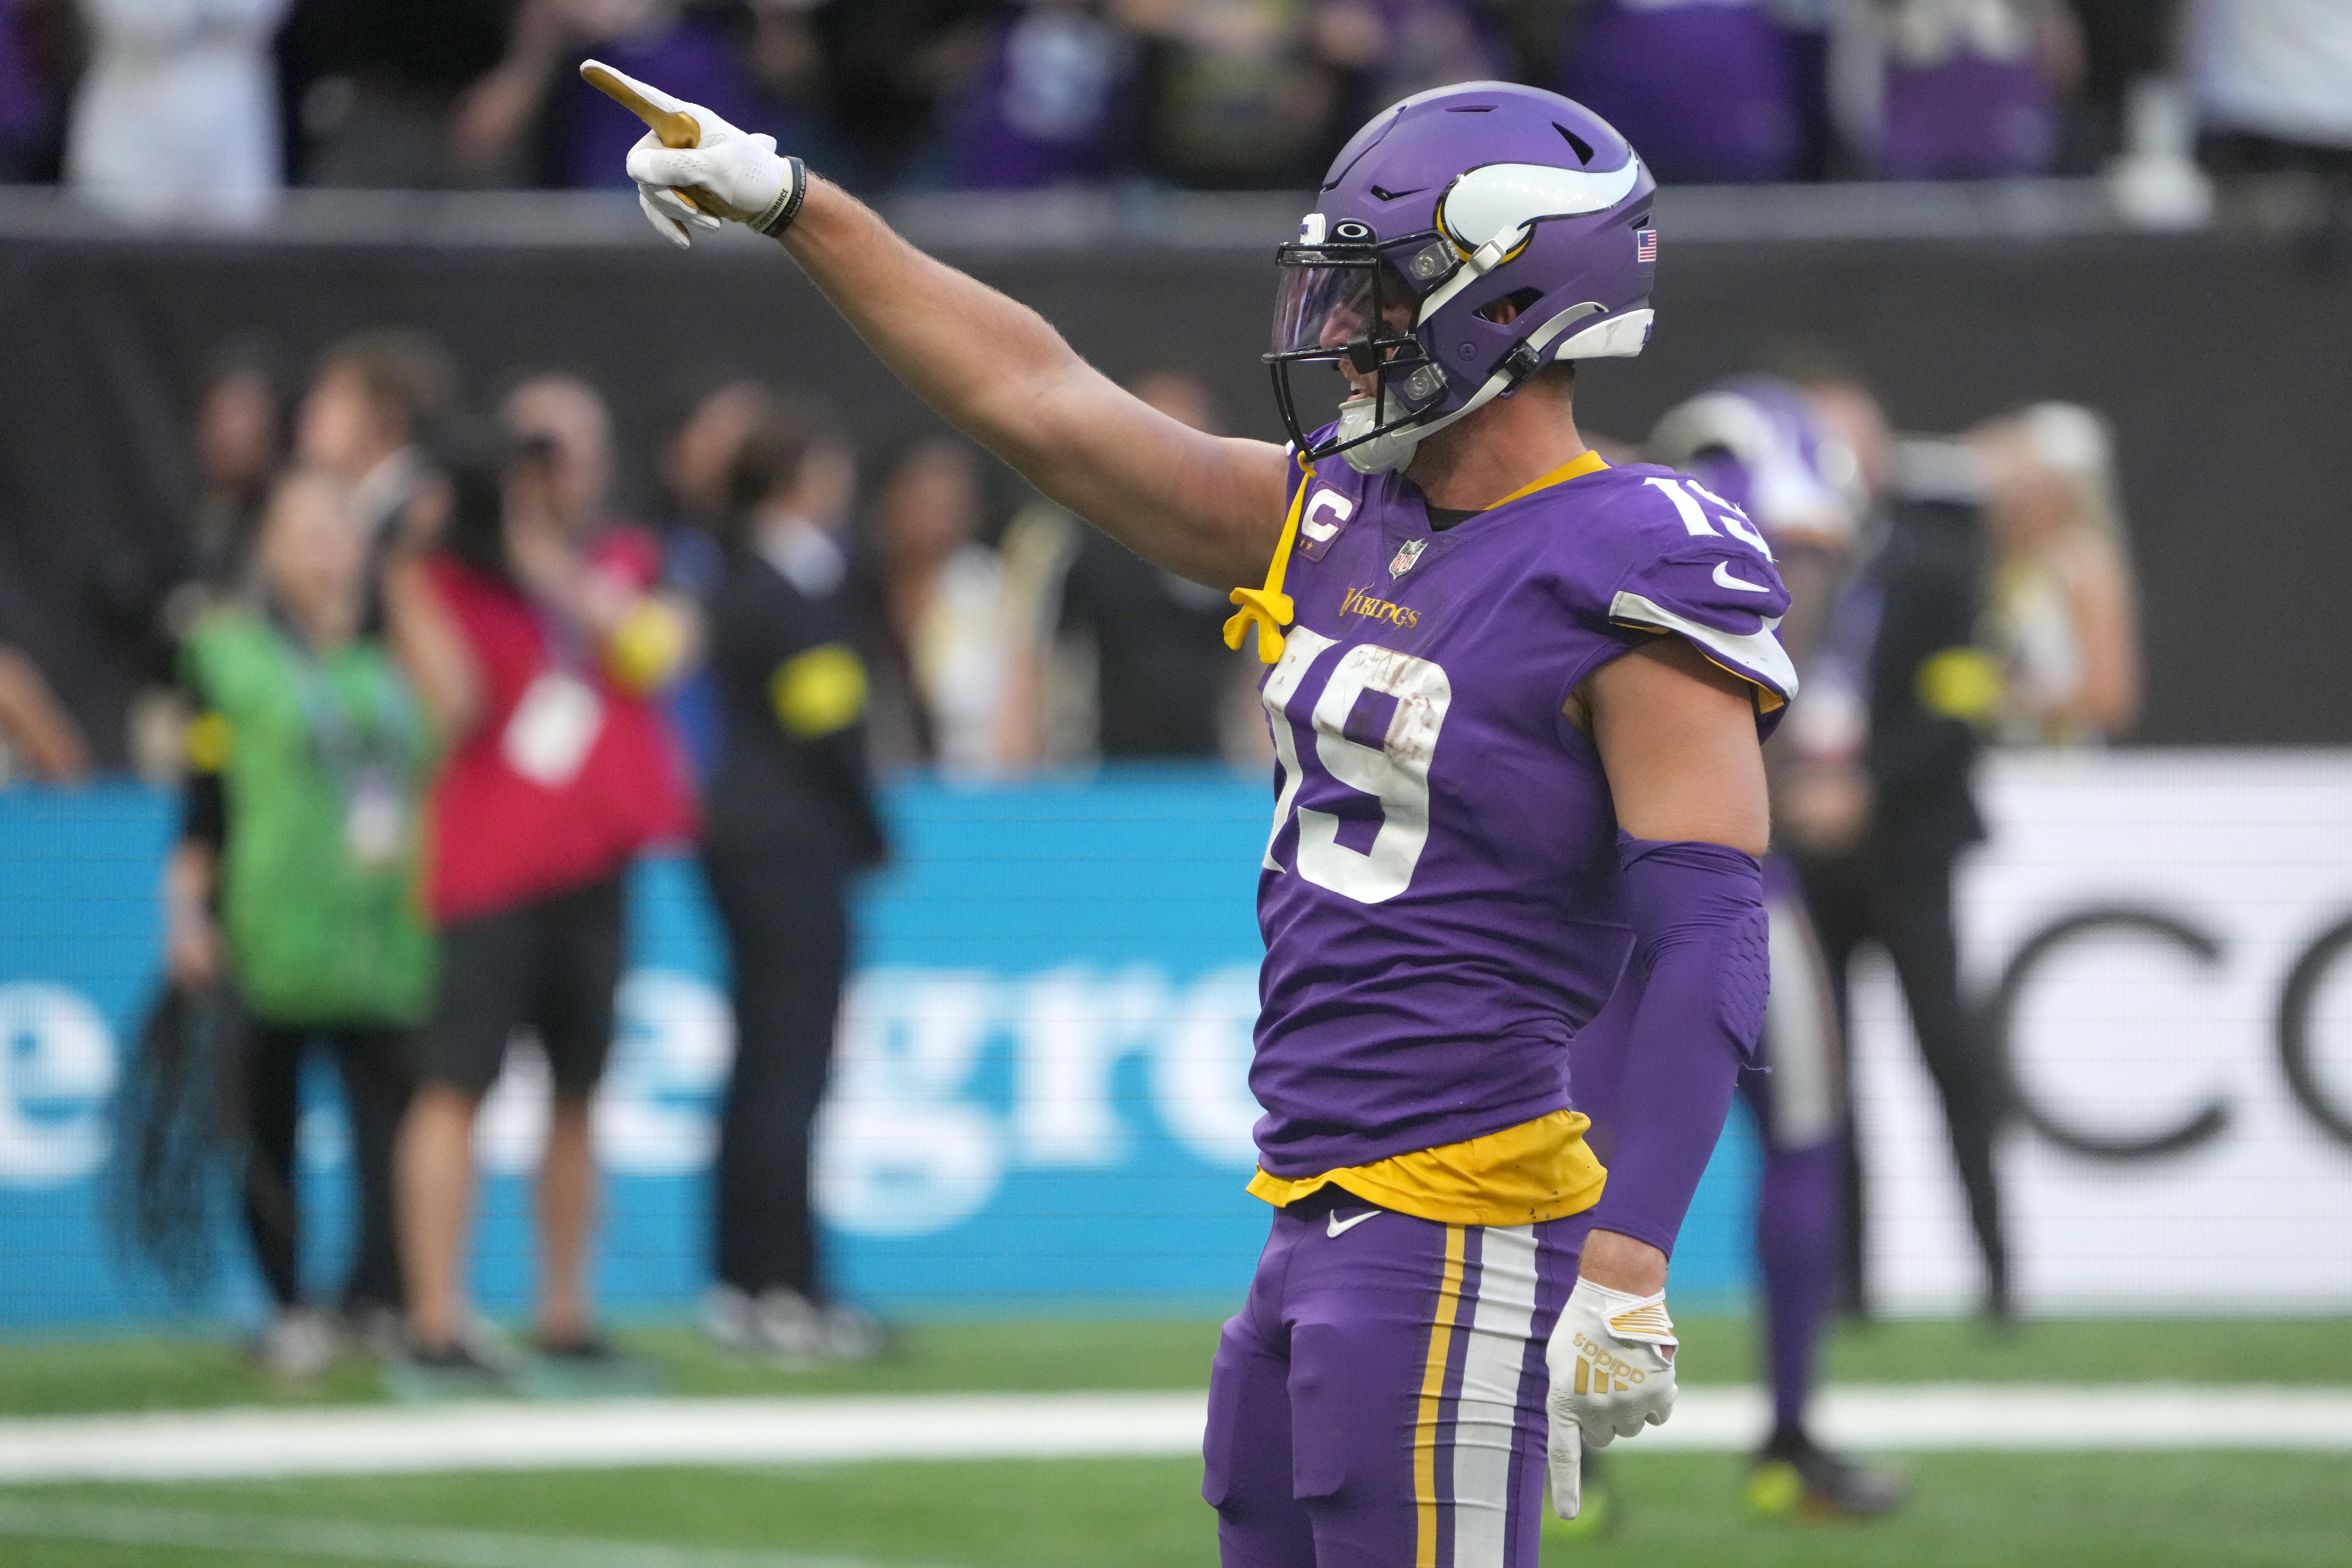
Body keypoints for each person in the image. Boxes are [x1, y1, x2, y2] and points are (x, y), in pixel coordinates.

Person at [606, 66, 1785, 1560]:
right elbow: (1037, 395)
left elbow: (1708, 930)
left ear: (1506, 305)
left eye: (1376, 293)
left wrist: (1628, 1259)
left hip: (1467, 1216)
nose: (1340, 328)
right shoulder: (1345, 513)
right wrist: (797, 204)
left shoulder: (1632, 557)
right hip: (1316, 1206)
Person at [383, 376, 698, 1391]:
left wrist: (540, 561)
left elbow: (651, 654)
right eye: (537, 454)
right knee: (456, 1086)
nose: (555, 472)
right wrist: (416, 564)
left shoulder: (620, 561)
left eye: (573, 450)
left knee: (578, 1093)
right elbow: (458, 706)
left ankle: (566, 1315)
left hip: (591, 865)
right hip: (486, 871)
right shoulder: (441, 575)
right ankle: (438, 1319)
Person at [1645, 375, 1906, 1517]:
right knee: (1799, 1139)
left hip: (1599, 892)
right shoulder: (1771, 512)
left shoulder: (1621, 516)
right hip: (1737, 884)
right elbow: (1798, 677)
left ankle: (1560, 1465)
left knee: (1568, 1166)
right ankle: (1789, 1441)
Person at [163, 466, 435, 1375]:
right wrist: (187, 910)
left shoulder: (400, 645)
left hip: (385, 929)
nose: (327, 547)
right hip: (272, 927)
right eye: (305, 528)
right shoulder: (229, 655)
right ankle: (289, 1305)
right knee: (266, 1125)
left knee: (396, 1127)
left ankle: (381, 1297)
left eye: (340, 527)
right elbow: (206, 798)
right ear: (269, 546)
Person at [1778, 357, 2012, 1322]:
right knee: (1826, 1080)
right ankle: (1850, 1290)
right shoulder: (1764, 568)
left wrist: (1866, 786)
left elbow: (1963, 709)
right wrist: (1792, 789)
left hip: (1909, 851)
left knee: (1949, 1056)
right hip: (1808, 854)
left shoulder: (1941, 563)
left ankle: (2000, 1278)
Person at [697, 397, 890, 1364]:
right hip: (791, 848)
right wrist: (870, 829)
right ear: (801, 483)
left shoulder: (736, 581)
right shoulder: (795, 592)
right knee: (791, 1069)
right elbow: (830, 727)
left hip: (737, 839)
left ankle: (737, 1281)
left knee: (756, 1067)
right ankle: (789, 1288)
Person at [1974, 402, 2141, 746]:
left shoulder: (2084, 567)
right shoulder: (2000, 564)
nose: (2010, 500)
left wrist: (2008, 699)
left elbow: (2110, 697)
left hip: (2059, 771)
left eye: (2026, 487)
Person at [857, 435, 1020, 775]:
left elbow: (1018, 721)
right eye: (925, 500)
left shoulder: (992, 593)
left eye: (953, 503)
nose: (940, 515)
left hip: (975, 789)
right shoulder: (854, 594)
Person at [63, 0, 291, 228]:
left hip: (228, 127)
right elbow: (126, 19)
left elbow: (254, 14)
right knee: (121, 248)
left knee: (231, 251)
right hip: (129, 125)